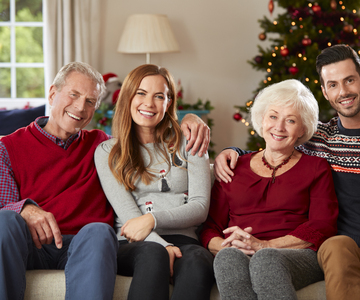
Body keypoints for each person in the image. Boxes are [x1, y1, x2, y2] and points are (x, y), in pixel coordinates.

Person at [214, 44, 360, 300]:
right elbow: (277, 139)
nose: (343, 91)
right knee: (335, 246)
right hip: (347, 249)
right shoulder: (319, 139)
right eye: (333, 85)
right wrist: (232, 151)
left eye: (349, 80)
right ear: (325, 93)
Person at [0, 62, 211, 300]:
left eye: (90, 101)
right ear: (52, 93)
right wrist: (25, 208)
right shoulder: (7, 147)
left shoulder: (100, 145)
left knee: (100, 231)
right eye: (74, 95)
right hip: (34, 245)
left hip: (88, 244)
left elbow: (142, 138)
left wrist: (198, 124)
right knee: (6, 219)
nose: (80, 107)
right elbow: (4, 206)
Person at [200, 79, 338, 300]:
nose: (279, 127)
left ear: (303, 128)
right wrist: (225, 245)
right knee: (228, 258)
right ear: (262, 119)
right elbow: (210, 226)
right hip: (240, 252)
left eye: (290, 120)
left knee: (266, 258)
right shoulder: (234, 166)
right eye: (273, 116)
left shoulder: (316, 167)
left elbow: (323, 225)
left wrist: (264, 245)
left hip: (296, 255)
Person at [94, 64, 215, 300]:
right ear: (128, 96)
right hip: (133, 242)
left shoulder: (190, 141)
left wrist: (153, 219)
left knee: (200, 261)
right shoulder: (108, 151)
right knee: (153, 254)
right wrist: (162, 246)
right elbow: (129, 217)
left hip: (185, 238)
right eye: (141, 93)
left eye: (159, 96)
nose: (149, 103)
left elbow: (200, 207)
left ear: (168, 103)